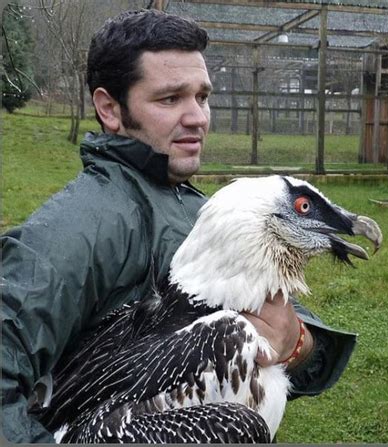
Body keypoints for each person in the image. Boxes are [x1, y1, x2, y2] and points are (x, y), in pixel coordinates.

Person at [1, 9, 356, 443]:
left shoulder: (203, 210)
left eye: (202, 97)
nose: (198, 118)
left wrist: (296, 342)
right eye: (170, 99)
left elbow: (292, 339)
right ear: (109, 108)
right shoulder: (71, 234)